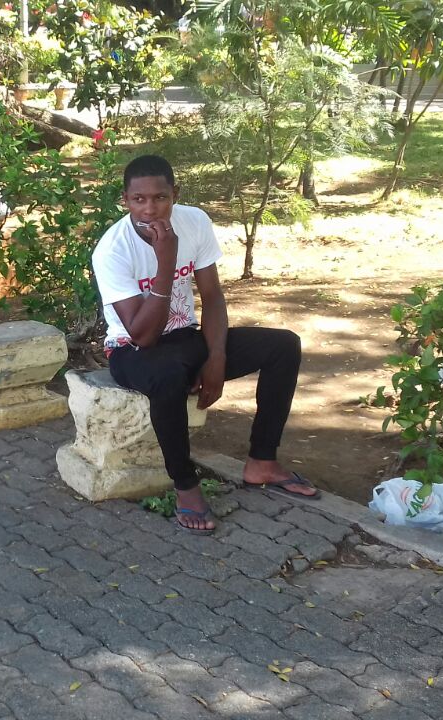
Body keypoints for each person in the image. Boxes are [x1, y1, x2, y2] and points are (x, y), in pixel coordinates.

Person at [92, 154, 316, 535]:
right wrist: (165, 262)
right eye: (139, 199)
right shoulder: (112, 250)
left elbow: (212, 296)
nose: (150, 209)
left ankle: (262, 461)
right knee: (166, 377)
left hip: (186, 339)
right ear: (125, 200)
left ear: (175, 194)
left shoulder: (194, 221)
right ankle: (185, 484)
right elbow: (142, 335)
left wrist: (216, 357)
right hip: (132, 351)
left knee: (283, 346)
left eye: (160, 198)